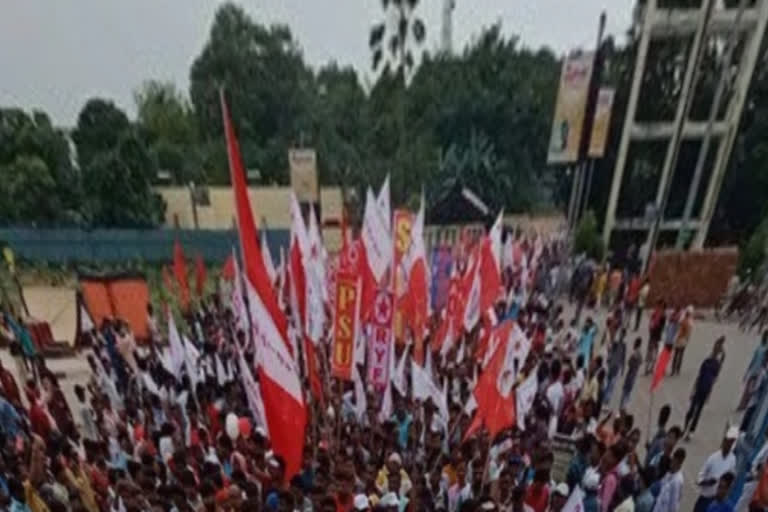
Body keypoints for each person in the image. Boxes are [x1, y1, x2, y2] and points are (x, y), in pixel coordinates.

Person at [684, 340, 725, 441]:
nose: (715, 351)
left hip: (706, 389)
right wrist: (693, 389)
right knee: (691, 410)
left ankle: (691, 431)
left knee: (698, 411)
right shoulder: (706, 361)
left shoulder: (716, 365)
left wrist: (709, 395)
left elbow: (714, 380)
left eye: (717, 349)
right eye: (715, 349)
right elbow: (699, 375)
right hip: (699, 386)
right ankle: (685, 427)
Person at [692, 427, 738, 512]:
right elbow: (700, 477)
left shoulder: (733, 460)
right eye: (727, 441)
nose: (728, 444)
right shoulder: (713, 458)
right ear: (724, 441)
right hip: (706, 498)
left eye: (731, 442)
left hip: (718, 500)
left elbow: (731, 479)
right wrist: (707, 482)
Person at [652, 448, 686, 512]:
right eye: (673, 459)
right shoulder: (669, 473)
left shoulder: (677, 481)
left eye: (674, 461)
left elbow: (673, 505)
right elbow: (662, 486)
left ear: (679, 463)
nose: (672, 462)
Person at [620, 338, 643, 410]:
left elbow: (629, 362)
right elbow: (641, 362)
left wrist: (632, 363)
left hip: (630, 374)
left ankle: (623, 406)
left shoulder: (635, 353)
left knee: (626, 391)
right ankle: (624, 405)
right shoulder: (639, 353)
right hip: (634, 374)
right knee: (628, 391)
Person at [671, 306, 693, 376]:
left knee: (676, 354)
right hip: (684, 339)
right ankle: (677, 369)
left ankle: (674, 369)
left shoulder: (683, 321)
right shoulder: (689, 322)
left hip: (680, 339)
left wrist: (677, 337)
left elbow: (679, 330)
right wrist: (687, 339)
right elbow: (688, 333)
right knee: (680, 355)